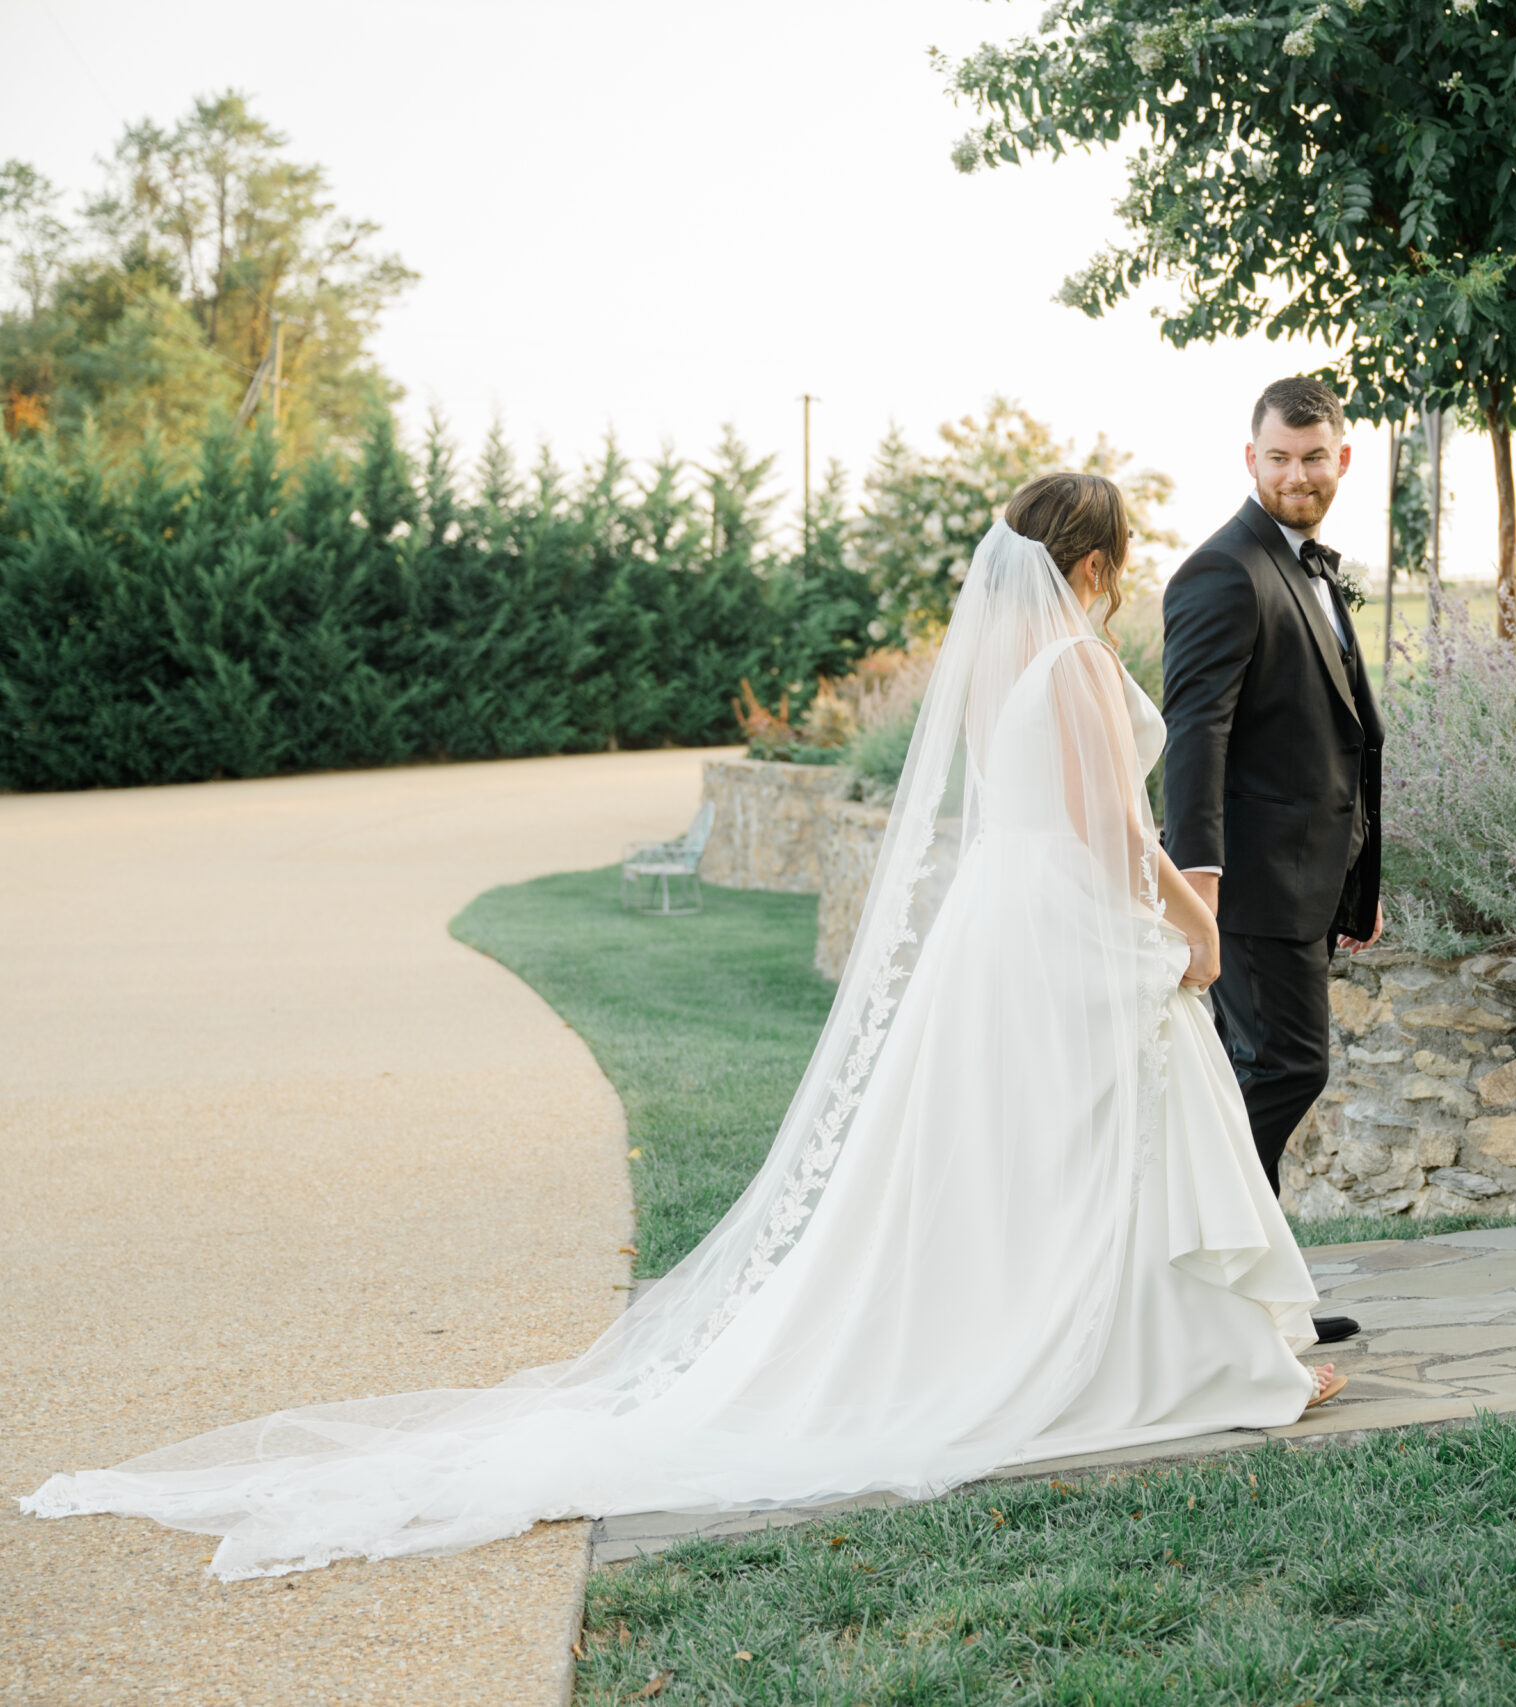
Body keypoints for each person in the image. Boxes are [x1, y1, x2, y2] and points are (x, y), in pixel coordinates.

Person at [22, 473, 1343, 1581]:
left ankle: (1145, 1342)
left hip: (1006, 922)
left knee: (1042, 1152)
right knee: (1130, 1124)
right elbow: (1113, 827)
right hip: (1064, 922)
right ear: (1097, 564)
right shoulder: (1070, 659)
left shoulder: (999, 660)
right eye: (1115, 569)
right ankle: (1207, 1355)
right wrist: (1197, 921)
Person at [1161, 376, 1385, 1348]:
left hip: (1306, 880)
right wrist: (1197, 886)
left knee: (1260, 1071)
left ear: (1342, 458)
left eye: (1314, 456)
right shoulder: (1225, 570)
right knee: (1284, 1066)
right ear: (1250, 460)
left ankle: (1255, 1296)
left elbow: (1340, 738)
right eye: (1280, 457)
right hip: (1246, 884)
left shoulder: (1306, 565)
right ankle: (1210, 1290)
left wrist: (1356, 884)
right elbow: (1195, 731)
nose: (1298, 474)